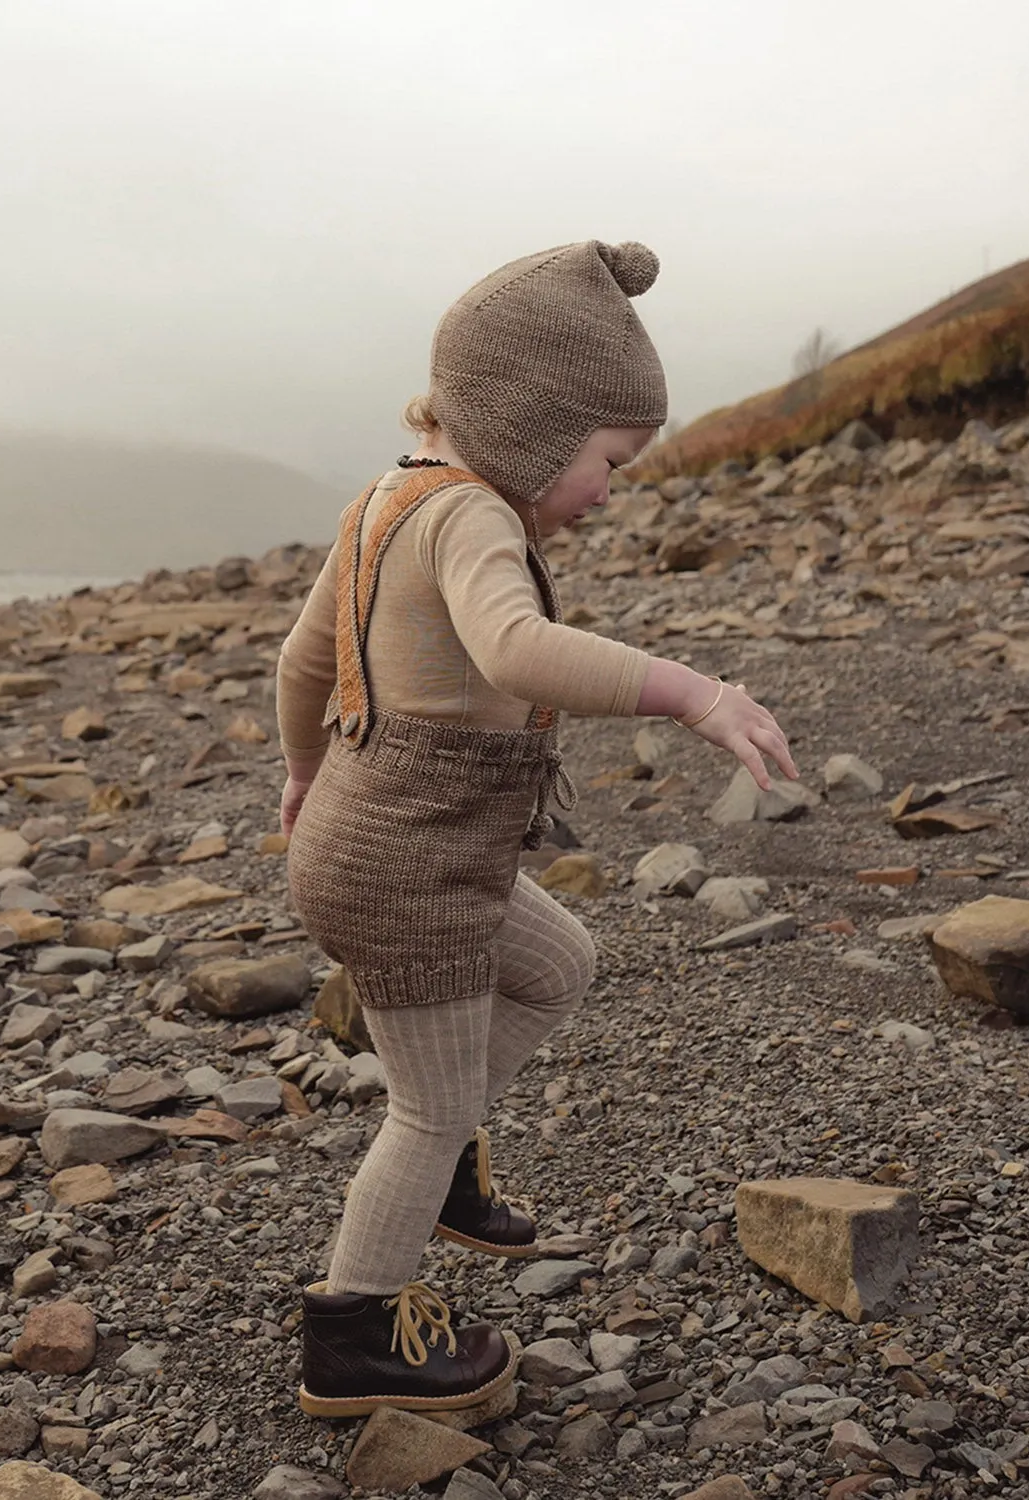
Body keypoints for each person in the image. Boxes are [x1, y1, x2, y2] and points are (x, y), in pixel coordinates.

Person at [275, 239, 797, 1418]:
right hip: (410, 868)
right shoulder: (466, 517)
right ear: (524, 423)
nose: (611, 488)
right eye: (607, 459)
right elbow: (514, 646)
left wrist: (304, 775)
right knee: (425, 1105)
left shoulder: (382, 501)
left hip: (383, 846)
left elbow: (303, 659)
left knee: (562, 964)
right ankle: (354, 1336)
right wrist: (696, 693)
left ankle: (448, 1164)